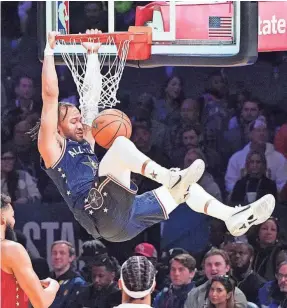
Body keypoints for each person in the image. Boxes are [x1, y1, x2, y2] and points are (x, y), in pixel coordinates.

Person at [37, 30, 275, 243]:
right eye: (73, 120)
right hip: (98, 211)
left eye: (80, 119)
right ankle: (168, 177)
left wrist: (91, 56)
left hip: (123, 222)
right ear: (57, 128)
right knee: (119, 144)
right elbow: (50, 96)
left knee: (186, 189)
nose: (81, 123)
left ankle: (230, 215)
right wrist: (49, 51)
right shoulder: (52, 149)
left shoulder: (84, 141)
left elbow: (90, 101)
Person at [0, 193, 59, 308]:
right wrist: (54, 284)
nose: (14, 222)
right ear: (2, 218)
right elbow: (41, 302)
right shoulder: (11, 250)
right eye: (12, 216)